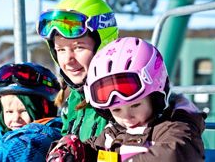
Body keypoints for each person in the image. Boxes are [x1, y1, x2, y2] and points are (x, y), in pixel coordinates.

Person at [46, 37, 206, 162]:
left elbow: (174, 155)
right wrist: (71, 149)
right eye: (116, 110)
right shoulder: (113, 132)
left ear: (155, 98)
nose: (126, 116)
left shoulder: (172, 127)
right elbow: (92, 149)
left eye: (135, 105)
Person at [36, 0, 119, 141]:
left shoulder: (122, 101)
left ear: (104, 46)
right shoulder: (74, 100)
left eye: (79, 47)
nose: (68, 60)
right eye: (61, 50)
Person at [0, 62, 63, 161]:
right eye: (9, 112)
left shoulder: (39, 138)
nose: (15, 118)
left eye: (23, 111)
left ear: (43, 110)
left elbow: (3, 158)